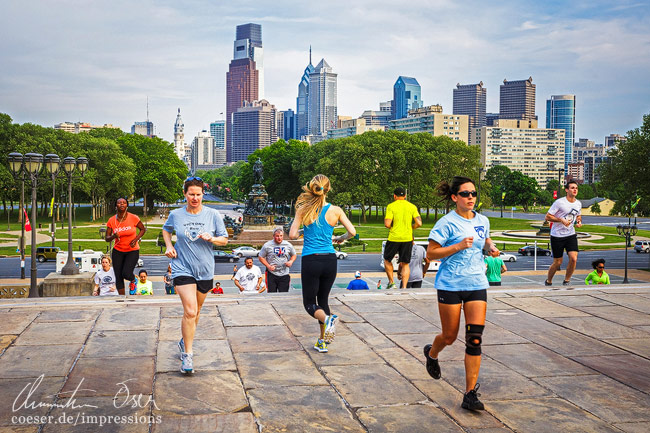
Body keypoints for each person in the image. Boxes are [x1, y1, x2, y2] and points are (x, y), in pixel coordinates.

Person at [423, 176, 499, 412]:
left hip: (477, 282)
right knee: (449, 336)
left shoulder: (483, 220)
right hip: (450, 285)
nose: (470, 198)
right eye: (465, 194)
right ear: (455, 197)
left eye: (473, 193)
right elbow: (431, 253)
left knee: (474, 339)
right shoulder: (446, 223)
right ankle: (432, 353)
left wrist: (491, 247)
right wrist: (457, 246)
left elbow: (484, 240)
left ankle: (470, 394)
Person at [163, 176, 228, 374]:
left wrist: (213, 238)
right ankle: (188, 356)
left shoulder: (213, 214)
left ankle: (185, 341)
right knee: (190, 311)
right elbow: (166, 230)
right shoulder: (176, 214)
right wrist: (168, 246)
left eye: (198, 194)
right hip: (182, 267)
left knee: (197, 311)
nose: (195, 198)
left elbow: (225, 240)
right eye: (191, 194)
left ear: (203, 195)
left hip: (205, 269)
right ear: (185, 194)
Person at [289, 174, 356, 353]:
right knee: (323, 301)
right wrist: (340, 238)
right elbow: (352, 231)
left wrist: (305, 230)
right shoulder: (336, 210)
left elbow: (292, 235)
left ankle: (328, 320)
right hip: (330, 259)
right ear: (328, 189)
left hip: (312, 259)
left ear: (312, 188)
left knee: (310, 304)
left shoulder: (303, 209)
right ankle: (322, 342)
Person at [105, 197, 147, 295]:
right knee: (118, 276)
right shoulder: (111, 221)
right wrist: (113, 236)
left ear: (127, 205)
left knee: (126, 273)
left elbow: (143, 229)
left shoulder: (133, 218)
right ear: (116, 206)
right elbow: (107, 238)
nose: (122, 204)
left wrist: (136, 239)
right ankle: (122, 298)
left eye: (124, 203)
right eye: (119, 203)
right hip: (118, 251)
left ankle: (133, 280)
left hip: (132, 250)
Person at [383, 187, 422, 289]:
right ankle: (404, 287)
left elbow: (387, 224)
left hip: (394, 237)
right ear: (405, 196)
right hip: (407, 238)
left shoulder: (391, 206)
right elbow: (419, 223)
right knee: (405, 264)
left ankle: (391, 283)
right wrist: (411, 228)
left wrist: (393, 228)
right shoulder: (412, 207)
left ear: (394, 196)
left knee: (387, 260)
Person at [545, 180, 582, 286]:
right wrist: (561, 220)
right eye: (572, 188)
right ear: (566, 190)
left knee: (574, 258)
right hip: (557, 235)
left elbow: (578, 215)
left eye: (576, 188)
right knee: (558, 262)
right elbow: (547, 216)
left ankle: (566, 280)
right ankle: (549, 281)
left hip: (570, 234)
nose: (575, 190)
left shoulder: (578, 203)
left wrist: (578, 221)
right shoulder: (560, 203)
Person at [258, 227, 297, 292]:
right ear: (273, 236)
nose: (279, 238)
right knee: (272, 294)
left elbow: (294, 255)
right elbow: (261, 257)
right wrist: (268, 266)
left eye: (281, 236)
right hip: (272, 273)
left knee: (284, 293)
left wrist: (291, 261)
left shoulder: (288, 245)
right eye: (277, 236)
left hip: (284, 273)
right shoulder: (267, 245)